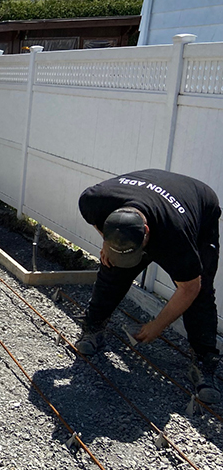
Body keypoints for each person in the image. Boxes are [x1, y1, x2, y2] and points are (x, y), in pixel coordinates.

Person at [75, 168, 221, 404]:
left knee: (202, 290)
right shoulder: (95, 199)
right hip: (148, 192)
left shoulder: (175, 236)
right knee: (112, 266)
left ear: (147, 235)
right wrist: (109, 243)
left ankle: (204, 361)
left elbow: (189, 288)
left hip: (199, 205)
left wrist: (157, 326)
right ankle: (93, 327)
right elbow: (99, 224)